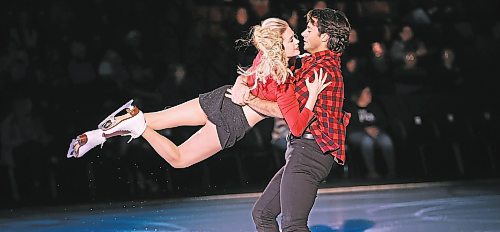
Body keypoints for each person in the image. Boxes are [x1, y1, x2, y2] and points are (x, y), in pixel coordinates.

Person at [227, 8, 354, 232]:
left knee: (294, 225)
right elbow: (275, 71)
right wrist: (249, 78)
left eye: (309, 29)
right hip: (304, 149)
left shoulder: (319, 71)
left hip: (310, 150)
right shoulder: (312, 63)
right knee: (263, 213)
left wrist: (247, 99)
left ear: (324, 36)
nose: (304, 33)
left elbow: (290, 116)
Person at [67, 18, 329, 170]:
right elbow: (288, 117)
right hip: (233, 121)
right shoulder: (283, 79)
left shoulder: (265, 59)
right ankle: (138, 125)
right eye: (293, 39)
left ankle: (94, 136)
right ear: (279, 46)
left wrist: (243, 88)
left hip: (221, 97)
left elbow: (246, 79)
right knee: (178, 159)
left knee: (154, 118)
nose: (298, 41)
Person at [346, 85, 396, 179]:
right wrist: (365, 130)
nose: (370, 95)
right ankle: (372, 172)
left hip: (376, 132)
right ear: (359, 94)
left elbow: (384, 122)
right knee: (367, 141)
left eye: (370, 93)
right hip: (357, 133)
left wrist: (377, 129)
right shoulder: (350, 108)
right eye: (367, 93)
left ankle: (391, 171)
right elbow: (349, 125)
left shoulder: (374, 107)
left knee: (386, 140)